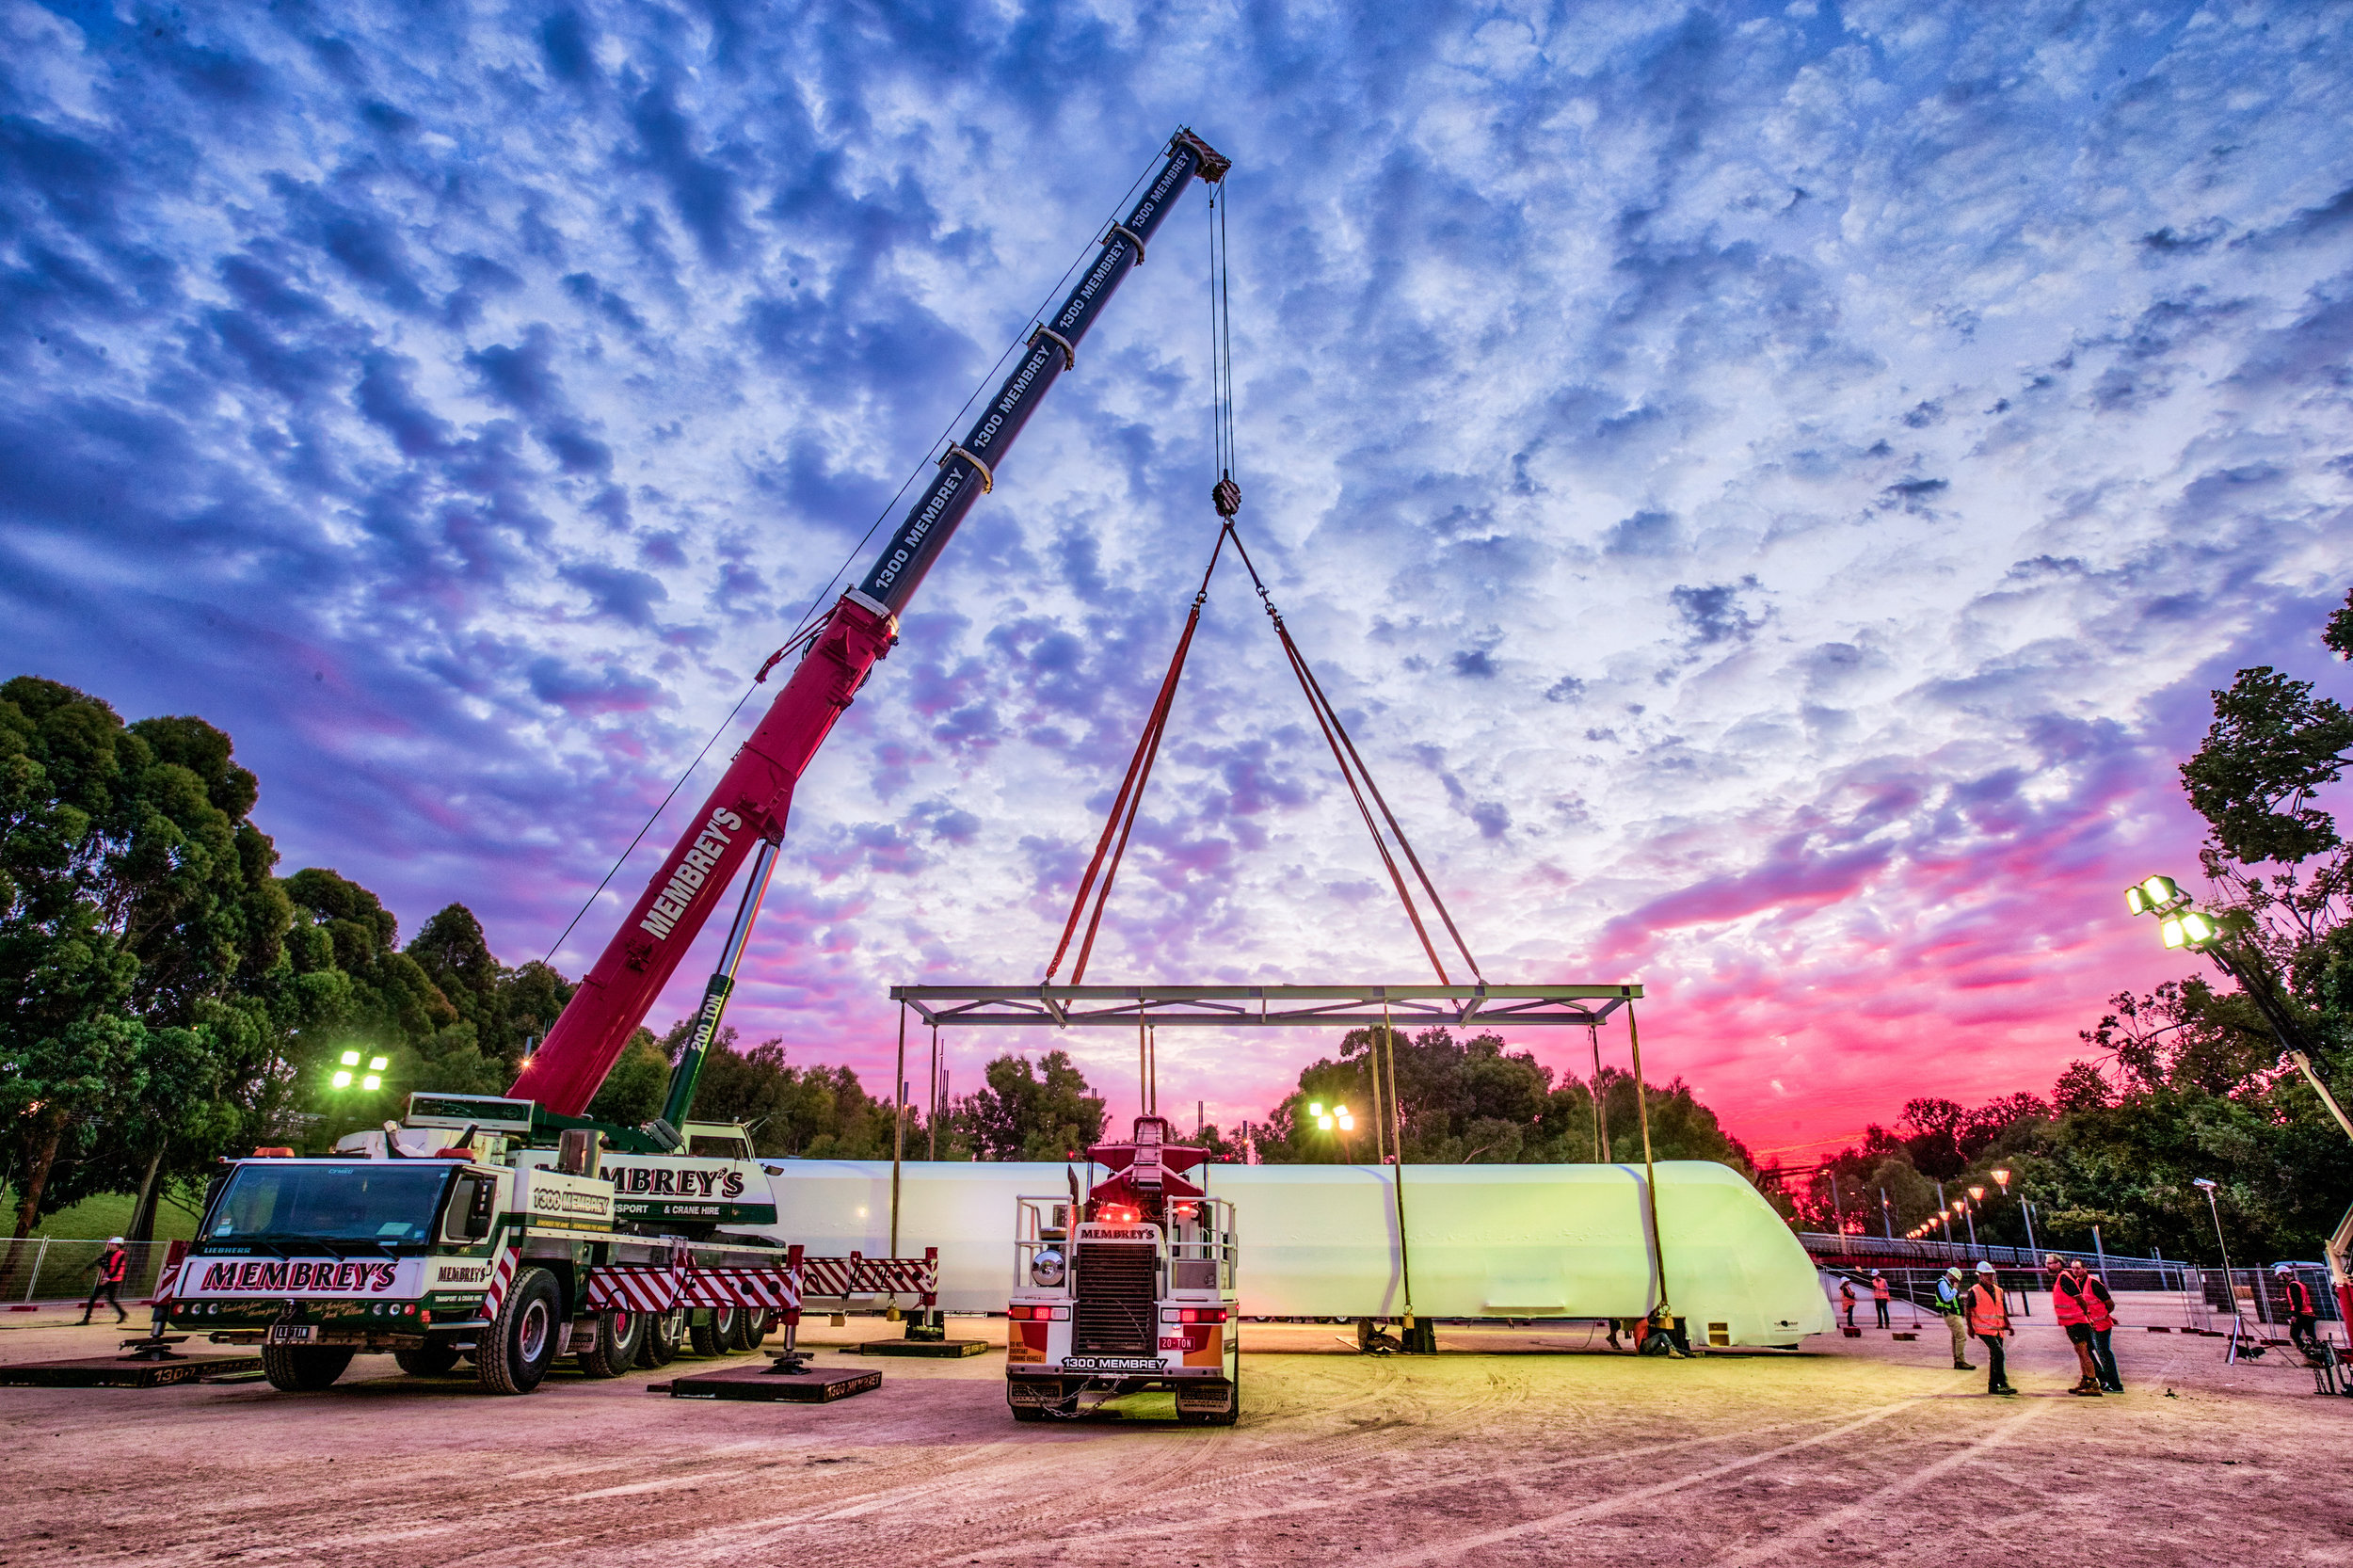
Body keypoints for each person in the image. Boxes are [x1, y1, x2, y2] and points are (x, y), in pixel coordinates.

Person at [2051, 1256, 2105, 1395]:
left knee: (2083, 1352)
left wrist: (2086, 1314)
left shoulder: (2064, 1278)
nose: (2048, 1266)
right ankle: (2087, 1379)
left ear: (2059, 1264)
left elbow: (2079, 1297)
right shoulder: (2062, 1278)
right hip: (2072, 1321)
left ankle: (2093, 1383)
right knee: (2080, 1351)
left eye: (2051, 1263)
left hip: (2076, 1321)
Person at [1966, 1261, 2016, 1395]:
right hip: (1983, 1329)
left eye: (1990, 1275)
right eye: (1986, 1275)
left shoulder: (1999, 1291)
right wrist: (1970, 1328)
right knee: (1999, 1353)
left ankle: (1993, 1386)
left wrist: (2008, 1324)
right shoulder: (1974, 1291)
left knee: (1995, 1355)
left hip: (1998, 1329)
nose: (1989, 1277)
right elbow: (1968, 1309)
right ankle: (2003, 1384)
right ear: (1980, 1276)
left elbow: (2002, 1309)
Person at [2078, 1261, 2122, 1392]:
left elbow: (2110, 1304)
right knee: (2086, 1350)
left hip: (2101, 1324)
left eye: (2078, 1268)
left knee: (2103, 1352)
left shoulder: (2093, 1283)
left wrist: (2104, 1315)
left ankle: (2115, 1385)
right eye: (2073, 1268)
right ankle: (2103, 1380)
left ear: (2085, 1269)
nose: (2076, 1271)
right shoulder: (2076, 1283)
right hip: (2088, 1323)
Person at [2278, 1264, 2324, 1361]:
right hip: (2309, 1313)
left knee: (2294, 1334)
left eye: (2279, 1276)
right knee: (2311, 1336)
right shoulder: (2299, 1284)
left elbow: (2297, 1301)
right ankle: (2319, 1357)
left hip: (2301, 1314)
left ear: (2284, 1274)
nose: (2279, 1279)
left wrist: (2294, 1315)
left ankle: (2308, 1355)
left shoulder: (2292, 1285)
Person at [79, 1238, 129, 1325]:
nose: (111, 1246)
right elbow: (100, 1261)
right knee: (97, 1298)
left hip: (114, 1280)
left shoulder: (121, 1255)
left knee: (109, 1299)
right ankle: (86, 1318)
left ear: (118, 1246)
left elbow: (117, 1268)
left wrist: (107, 1278)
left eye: (113, 1244)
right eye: (111, 1244)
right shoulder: (108, 1254)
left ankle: (122, 1313)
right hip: (108, 1279)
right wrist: (87, 1269)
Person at [1935, 1266, 1974, 1369]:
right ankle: (1960, 1361)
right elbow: (1947, 1298)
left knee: (1956, 1337)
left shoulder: (1945, 1283)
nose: (1956, 1282)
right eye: (1956, 1280)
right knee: (1961, 1337)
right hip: (1951, 1314)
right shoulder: (1942, 1282)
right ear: (1953, 1277)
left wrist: (1959, 1296)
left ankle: (1958, 1360)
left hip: (1952, 1313)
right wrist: (1955, 1290)